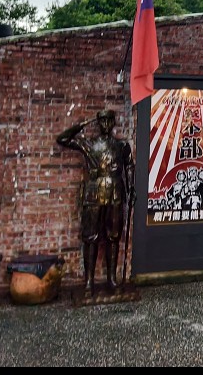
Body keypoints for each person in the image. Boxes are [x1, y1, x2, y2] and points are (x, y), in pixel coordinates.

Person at [55, 108, 134, 297]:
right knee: (90, 237)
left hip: (115, 191)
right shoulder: (89, 143)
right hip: (94, 192)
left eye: (109, 121)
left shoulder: (122, 145)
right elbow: (62, 139)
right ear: (98, 124)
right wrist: (83, 124)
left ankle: (112, 279)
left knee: (113, 236)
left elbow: (129, 167)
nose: (105, 125)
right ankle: (89, 281)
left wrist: (131, 188)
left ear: (113, 123)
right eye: (102, 122)